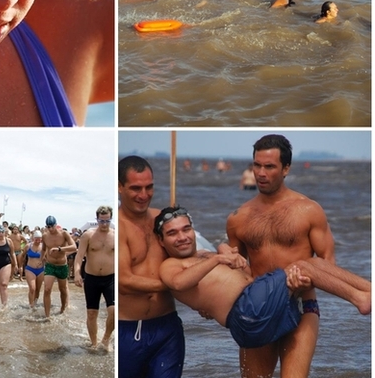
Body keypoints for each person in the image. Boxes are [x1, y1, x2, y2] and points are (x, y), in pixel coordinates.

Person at [156, 207, 370, 350]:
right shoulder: (170, 265)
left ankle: (368, 289)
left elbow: (244, 278)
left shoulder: (205, 255)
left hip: (256, 308)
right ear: (161, 240)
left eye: (186, 229)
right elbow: (178, 283)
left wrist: (230, 256)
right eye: (173, 233)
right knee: (302, 266)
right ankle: (361, 299)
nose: (182, 237)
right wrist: (218, 259)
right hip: (246, 313)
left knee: (310, 264)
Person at [226, 134, 336, 377]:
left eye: (269, 166)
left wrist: (308, 279)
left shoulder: (309, 210)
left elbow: (328, 262)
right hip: (258, 308)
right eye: (257, 165)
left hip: (301, 303)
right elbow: (232, 268)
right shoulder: (238, 218)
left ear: (286, 168)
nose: (261, 173)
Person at [118, 155, 184, 378]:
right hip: (128, 331)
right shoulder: (119, 228)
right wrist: (175, 284)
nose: (144, 195)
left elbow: (189, 257)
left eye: (149, 187)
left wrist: (220, 255)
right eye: (136, 188)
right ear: (119, 187)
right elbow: (124, 282)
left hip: (167, 329)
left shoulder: (162, 219)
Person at [74, 205, 115, 349]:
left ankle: (105, 339)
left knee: (114, 311)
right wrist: (77, 273)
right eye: (101, 221)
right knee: (92, 313)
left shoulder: (115, 235)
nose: (104, 224)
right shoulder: (88, 235)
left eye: (107, 221)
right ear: (97, 219)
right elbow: (79, 257)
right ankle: (94, 343)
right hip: (92, 278)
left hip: (111, 278)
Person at [41, 216, 76, 317]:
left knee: (63, 289)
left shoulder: (63, 234)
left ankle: (63, 309)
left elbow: (74, 247)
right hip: (50, 265)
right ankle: (47, 316)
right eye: (48, 227)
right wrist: (41, 259)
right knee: (47, 289)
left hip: (62, 265)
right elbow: (43, 249)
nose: (50, 229)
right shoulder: (45, 236)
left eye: (52, 226)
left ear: (56, 225)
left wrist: (60, 249)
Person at [20, 230, 45, 309]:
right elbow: (22, 256)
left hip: (41, 270)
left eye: (39, 239)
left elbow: (47, 258)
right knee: (32, 288)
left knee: (37, 289)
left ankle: (35, 303)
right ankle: (31, 306)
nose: (37, 241)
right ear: (33, 238)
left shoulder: (44, 247)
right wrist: (20, 266)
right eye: (36, 239)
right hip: (30, 269)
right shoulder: (28, 246)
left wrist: (43, 261)